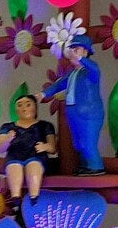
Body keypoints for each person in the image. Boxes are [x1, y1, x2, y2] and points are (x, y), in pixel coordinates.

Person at [38, 34, 104, 176]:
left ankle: (95, 166)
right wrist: (44, 94)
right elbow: (58, 84)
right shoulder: (72, 73)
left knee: (88, 141)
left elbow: (95, 69)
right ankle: (86, 165)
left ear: (85, 52)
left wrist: (80, 59)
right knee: (78, 143)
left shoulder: (90, 71)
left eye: (77, 49)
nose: (73, 52)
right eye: (71, 49)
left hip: (89, 113)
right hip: (73, 112)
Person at [0, 95, 56, 203]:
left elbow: (52, 148)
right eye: (20, 105)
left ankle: (34, 197)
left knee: (33, 167)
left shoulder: (45, 126)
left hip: (36, 156)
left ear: (35, 107)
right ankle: (15, 198)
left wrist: (45, 146)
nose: (24, 108)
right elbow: (1, 148)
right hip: (14, 157)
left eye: (28, 105)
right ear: (16, 110)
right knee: (13, 168)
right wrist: (7, 139)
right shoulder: (7, 127)